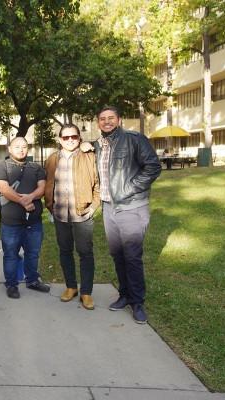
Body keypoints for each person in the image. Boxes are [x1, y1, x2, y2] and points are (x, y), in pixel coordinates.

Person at [93, 106, 161, 324]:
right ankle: (124, 295)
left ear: (119, 120)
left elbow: (153, 167)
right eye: (102, 119)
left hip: (132, 206)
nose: (107, 122)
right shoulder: (98, 145)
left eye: (111, 118)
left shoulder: (134, 139)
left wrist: (129, 188)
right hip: (108, 208)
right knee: (117, 255)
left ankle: (137, 302)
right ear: (98, 122)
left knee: (132, 256)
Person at [45, 124, 100, 310]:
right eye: (66, 137)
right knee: (65, 251)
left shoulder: (89, 156)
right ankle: (70, 287)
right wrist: (50, 206)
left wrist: (93, 206)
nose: (70, 140)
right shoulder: (52, 159)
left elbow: (98, 184)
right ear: (60, 139)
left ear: (79, 138)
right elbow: (48, 182)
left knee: (85, 253)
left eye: (74, 137)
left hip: (82, 214)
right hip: (60, 214)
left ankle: (86, 292)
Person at [0, 137, 49, 299]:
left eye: (24, 146)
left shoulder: (36, 167)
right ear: (9, 149)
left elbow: (42, 187)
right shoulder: (2, 166)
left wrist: (30, 197)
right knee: (11, 254)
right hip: (11, 223)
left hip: (33, 222)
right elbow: (3, 188)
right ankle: (11, 284)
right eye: (17, 146)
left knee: (33, 253)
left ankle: (32, 280)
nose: (21, 149)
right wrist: (23, 202)